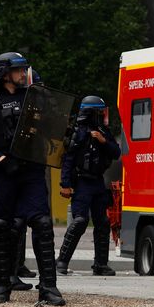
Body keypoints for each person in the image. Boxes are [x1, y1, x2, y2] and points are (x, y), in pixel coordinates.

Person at [0, 52, 65, 305]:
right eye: (19, 70)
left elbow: (52, 128)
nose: (24, 74)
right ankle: (2, 286)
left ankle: (49, 287)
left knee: (43, 225)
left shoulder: (34, 98)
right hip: (3, 174)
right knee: (3, 227)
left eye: (25, 70)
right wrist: (0, 160)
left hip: (32, 172)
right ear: (4, 73)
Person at [56, 95, 120, 276]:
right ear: (92, 113)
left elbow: (116, 152)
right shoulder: (78, 132)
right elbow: (68, 159)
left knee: (103, 222)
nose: (103, 115)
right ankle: (61, 261)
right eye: (100, 112)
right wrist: (65, 184)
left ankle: (101, 264)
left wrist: (103, 141)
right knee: (80, 221)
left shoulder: (103, 131)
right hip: (82, 182)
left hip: (97, 182)